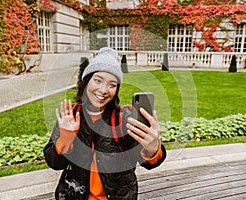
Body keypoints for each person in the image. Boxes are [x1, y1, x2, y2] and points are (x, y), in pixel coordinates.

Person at [44, 47, 166, 200]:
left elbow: (149, 163)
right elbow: (54, 162)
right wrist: (65, 139)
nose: (103, 90)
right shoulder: (71, 116)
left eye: (112, 84)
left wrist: (153, 149)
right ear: (86, 81)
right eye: (98, 80)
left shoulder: (124, 118)